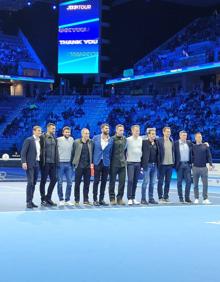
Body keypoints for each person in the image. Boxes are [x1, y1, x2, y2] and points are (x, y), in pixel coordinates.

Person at [21, 126, 42, 208]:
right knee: (30, 182)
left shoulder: (39, 141)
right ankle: (28, 202)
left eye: (40, 131)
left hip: (37, 164)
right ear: (34, 131)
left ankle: (31, 201)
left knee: (34, 183)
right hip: (29, 164)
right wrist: (24, 162)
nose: (40, 132)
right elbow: (23, 152)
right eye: (38, 131)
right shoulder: (28, 140)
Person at [93, 124, 113, 206]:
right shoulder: (95, 138)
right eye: (106, 128)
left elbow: (111, 152)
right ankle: (95, 199)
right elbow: (92, 149)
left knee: (104, 182)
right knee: (96, 181)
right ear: (102, 129)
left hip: (106, 162)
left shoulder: (111, 140)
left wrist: (109, 161)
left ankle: (101, 199)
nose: (107, 129)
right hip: (97, 162)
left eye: (108, 128)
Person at [72, 128, 94, 206]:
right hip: (79, 167)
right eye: (85, 133)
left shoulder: (91, 142)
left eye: (88, 133)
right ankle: (76, 200)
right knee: (77, 184)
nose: (87, 135)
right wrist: (74, 163)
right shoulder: (76, 142)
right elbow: (73, 153)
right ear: (82, 134)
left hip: (88, 167)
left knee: (87, 184)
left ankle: (86, 200)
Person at [40, 123, 59, 206]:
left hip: (53, 163)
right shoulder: (42, 137)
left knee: (54, 179)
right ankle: (43, 199)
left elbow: (56, 151)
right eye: (52, 128)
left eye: (54, 129)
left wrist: (56, 161)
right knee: (43, 181)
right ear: (48, 128)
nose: (54, 130)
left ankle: (48, 198)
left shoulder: (55, 138)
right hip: (45, 163)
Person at [192, 132, 213, 204]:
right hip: (195, 168)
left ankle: (205, 198)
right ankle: (196, 198)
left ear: (201, 138)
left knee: (205, 184)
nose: (199, 138)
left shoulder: (205, 146)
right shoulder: (193, 146)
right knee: (195, 185)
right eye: (197, 137)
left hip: (204, 168)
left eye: (200, 137)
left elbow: (209, 156)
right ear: (195, 138)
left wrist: (210, 164)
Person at [109, 124, 127, 205]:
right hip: (113, 164)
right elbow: (109, 152)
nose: (121, 132)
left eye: (122, 130)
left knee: (122, 182)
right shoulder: (112, 139)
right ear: (116, 130)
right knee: (112, 182)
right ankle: (112, 198)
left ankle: (119, 198)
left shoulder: (124, 139)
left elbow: (125, 151)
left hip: (123, 164)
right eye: (120, 130)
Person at [141, 128, 159, 205]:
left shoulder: (156, 143)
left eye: (154, 134)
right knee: (145, 182)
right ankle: (143, 199)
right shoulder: (144, 142)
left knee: (152, 183)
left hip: (155, 166)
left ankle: (151, 198)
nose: (153, 135)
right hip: (147, 165)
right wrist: (141, 165)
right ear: (148, 135)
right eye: (152, 134)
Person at [57, 126, 74, 206]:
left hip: (69, 164)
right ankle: (61, 199)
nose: (67, 133)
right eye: (66, 132)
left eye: (68, 132)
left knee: (70, 183)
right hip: (60, 164)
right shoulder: (58, 140)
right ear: (63, 133)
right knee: (60, 182)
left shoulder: (72, 139)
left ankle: (67, 199)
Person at [157, 127, 175, 203]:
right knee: (160, 182)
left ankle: (166, 196)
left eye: (169, 132)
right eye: (167, 132)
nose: (168, 133)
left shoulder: (171, 140)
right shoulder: (159, 140)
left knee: (168, 182)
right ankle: (160, 197)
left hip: (170, 165)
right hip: (162, 165)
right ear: (163, 132)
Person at [174, 131, 193, 203]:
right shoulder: (175, 143)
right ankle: (181, 198)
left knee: (189, 181)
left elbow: (196, 146)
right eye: (183, 135)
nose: (185, 137)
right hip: (179, 165)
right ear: (180, 136)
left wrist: (204, 144)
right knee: (179, 182)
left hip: (187, 165)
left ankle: (187, 197)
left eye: (185, 135)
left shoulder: (189, 143)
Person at [126, 125, 142, 205]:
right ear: (132, 131)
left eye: (138, 130)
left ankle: (133, 197)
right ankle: (129, 198)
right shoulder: (128, 140)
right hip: (130, 163)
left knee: (135, 181)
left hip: (138, 163)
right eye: (136, 130)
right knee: (130, 180)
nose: (137, 132)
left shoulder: (141, 139)